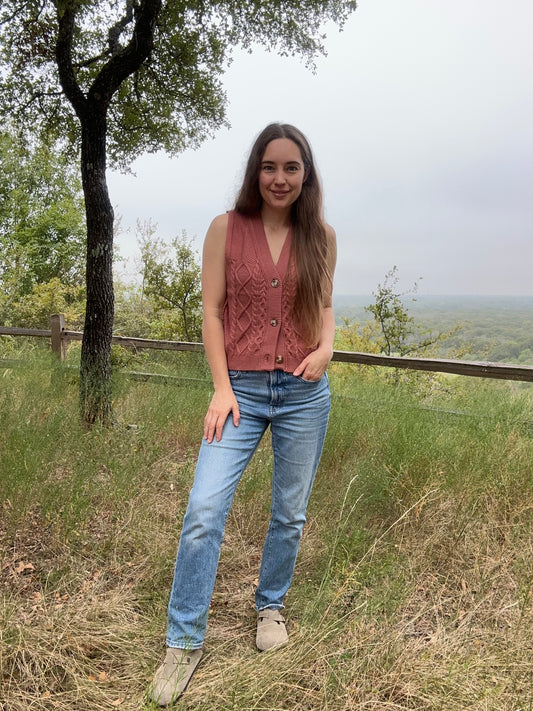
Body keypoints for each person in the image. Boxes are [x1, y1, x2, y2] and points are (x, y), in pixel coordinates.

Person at [150, 123, 337, 706]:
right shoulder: (225, 230)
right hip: (241, 393)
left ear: (306, 176)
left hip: (305, 394)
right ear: (255, 171)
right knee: (205, 507)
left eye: (292, 168)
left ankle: (270, 609)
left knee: (289, 512)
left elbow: (325, 305)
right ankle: (183, 640)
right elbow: (212, 313)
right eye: (269, 166)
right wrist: (221, 388)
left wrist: (327, 349)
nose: (280, 178)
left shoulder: (321, 236)